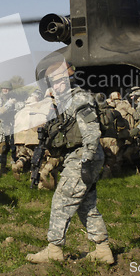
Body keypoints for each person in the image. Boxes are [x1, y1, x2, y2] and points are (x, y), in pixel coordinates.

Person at [26, 60, 114, 265]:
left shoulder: (79, 98)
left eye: (61, 81)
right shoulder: (63, 101)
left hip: (84, 155)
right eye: (54, 83)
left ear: (70, 79)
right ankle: (102, 249)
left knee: (61, 201)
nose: (57, 85)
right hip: (79, 156)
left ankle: (54, 249)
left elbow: (92, 132)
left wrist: (86, 161)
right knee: (86, 205)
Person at [0, 81, 22, 176]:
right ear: (1, 89)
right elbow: (0, 112)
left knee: (8, 146)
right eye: (4, 88)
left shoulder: (10, 98)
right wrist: (9, 103)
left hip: (8, 124)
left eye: (7, 88)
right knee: (2, 145)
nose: (5, 90)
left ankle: (3, 168)